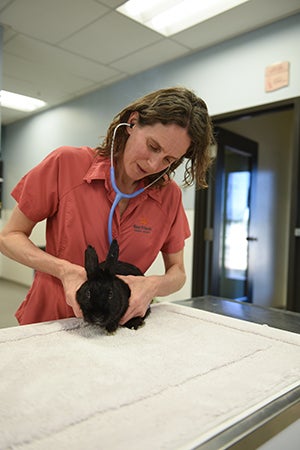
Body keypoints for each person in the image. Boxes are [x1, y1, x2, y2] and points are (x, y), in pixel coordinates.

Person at [0, 86, 214, 326]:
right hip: (51, 320)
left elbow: (178, 273)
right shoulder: (67, 164)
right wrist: (63, 270)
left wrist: (152, 285)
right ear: (133, 123)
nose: (154, 164)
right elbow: (8, 237)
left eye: (168, 160)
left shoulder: (169, 196)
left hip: (116, 328)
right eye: (153, 146)